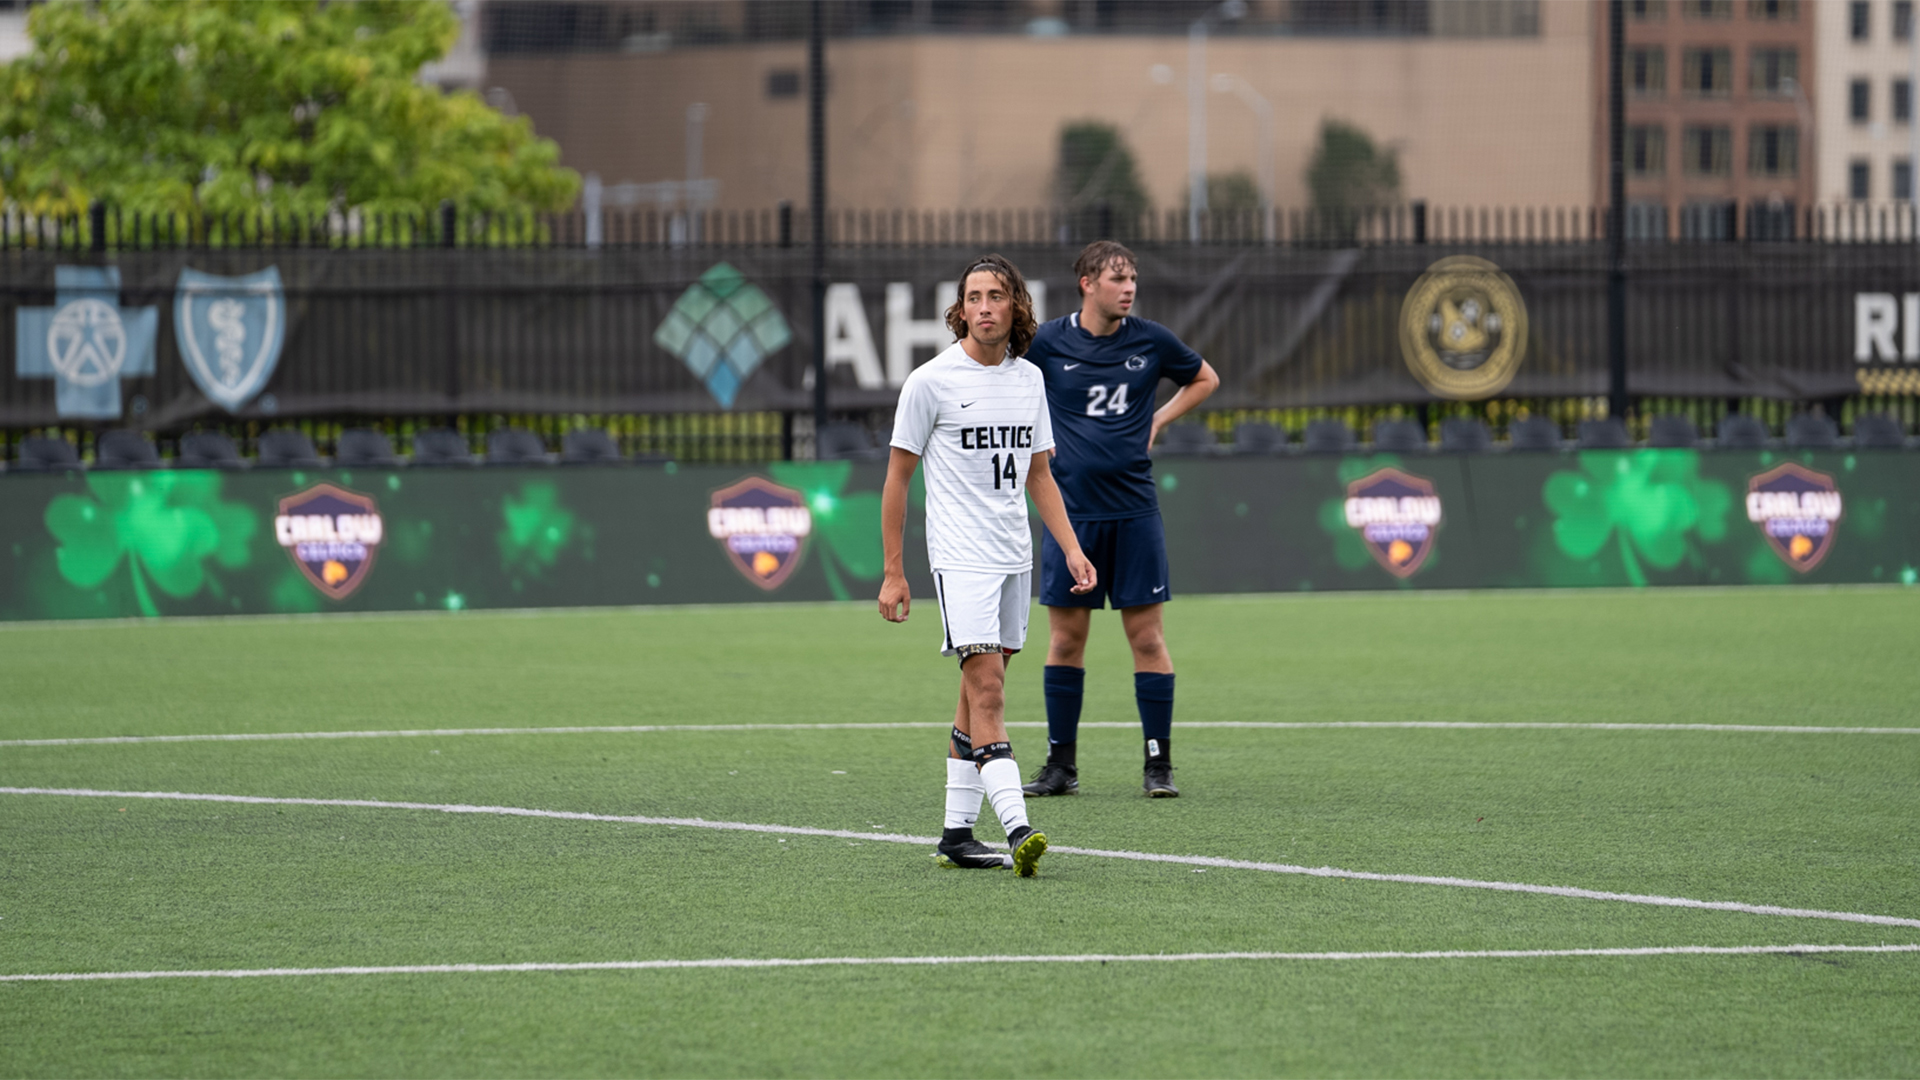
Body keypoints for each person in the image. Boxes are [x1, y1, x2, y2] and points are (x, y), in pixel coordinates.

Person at [878, 253, 1097, 875]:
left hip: (1014, 558)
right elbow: (897, 479)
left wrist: (1073, 548)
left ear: (1014, 305)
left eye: (995, 295)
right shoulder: (931, 381)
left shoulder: (1028, 380)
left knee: (974, 698)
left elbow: (1039, 474)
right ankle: (1018, 827)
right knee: (990, 692)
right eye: (973, 297)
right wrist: (895, 571)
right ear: (959, 309)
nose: (983, 307)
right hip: (962, 559)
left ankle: (954, 834)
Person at [1021, 240, 1220, 799]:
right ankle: (1062, 766)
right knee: (1065, 641)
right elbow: (1006, 380)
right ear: (1087, 283)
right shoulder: (1048, 342)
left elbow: (1205, 379)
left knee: (1148, 638)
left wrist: (1159, 417)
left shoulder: (1151, 340)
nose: (1128, 287)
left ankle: (1158, 765)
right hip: (1071, 515)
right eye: (1116, 278)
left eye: (1132, 278)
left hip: (1135, 511)